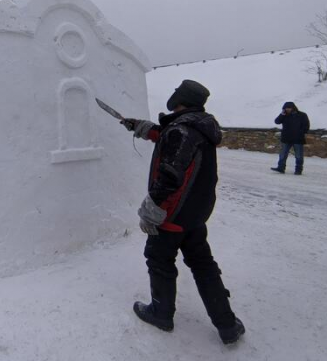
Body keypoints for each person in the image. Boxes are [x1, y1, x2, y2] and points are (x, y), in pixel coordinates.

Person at [121, 79, 245, 345]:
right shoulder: (197, 126)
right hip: (195, 215)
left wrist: (152, 208)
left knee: (159, 260)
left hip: (172, 216)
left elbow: (170, 175)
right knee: (203, 265)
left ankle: (161, 313)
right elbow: (168, 137)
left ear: (180, 100)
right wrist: (141, 127)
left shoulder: (182, 131)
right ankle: (227, 325)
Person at [271, 102, 310, 175]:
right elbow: (277, 121)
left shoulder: (302, 115)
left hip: (298, 139)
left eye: (289, 108)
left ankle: (298, 170)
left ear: (293, 108)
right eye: (286, 108)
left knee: (299, 156)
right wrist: (282, 114)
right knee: (283, 154)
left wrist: (300, 133)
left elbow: (306, 126)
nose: (287, 109)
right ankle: (281, 168)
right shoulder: (284, 115)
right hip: (286, 138)